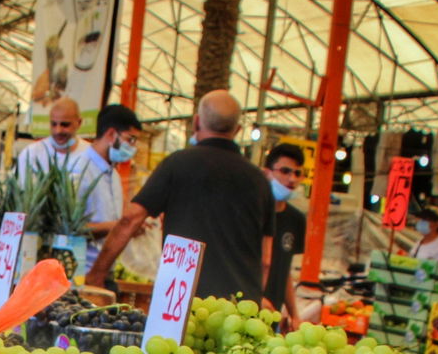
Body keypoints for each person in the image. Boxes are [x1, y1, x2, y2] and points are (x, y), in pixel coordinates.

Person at [84, 90, 274, 302]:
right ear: (238, 130)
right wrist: (259, 297)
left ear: (196, 122)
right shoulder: (260, 181)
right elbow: (266, 259)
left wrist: (97, 275)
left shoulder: (177, 164)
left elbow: (131, 219)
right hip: (240, 304)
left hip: (180, 301)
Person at [75, 104, 142, 274]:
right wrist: (118, 226)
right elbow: (71, 229)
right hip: (81, 273)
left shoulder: (113, 176)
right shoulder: (79, 170)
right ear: (112, 134)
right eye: (130, 139)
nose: (133, 147)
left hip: (105, 271)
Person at [262, 142, 307, 325]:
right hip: (245, 307)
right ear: (267, 172)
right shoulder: (251, 214)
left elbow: (285, 269)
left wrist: (294, 313)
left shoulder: (296, 219)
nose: (292, 179)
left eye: (297, 173)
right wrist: (254, 296)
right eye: (285, 171)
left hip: (273, 314)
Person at [16, 97, 88, 182]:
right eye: (53, 124)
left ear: (79, 123)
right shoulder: (31, 154)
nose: (58, 131)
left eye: (65, 125)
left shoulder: (91, 156)